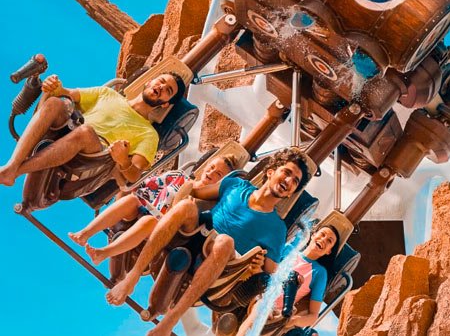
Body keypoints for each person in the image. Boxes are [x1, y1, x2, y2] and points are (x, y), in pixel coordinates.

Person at [106, 147, 315, 336]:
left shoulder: (277, 229)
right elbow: (196, 190)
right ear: (271, 171)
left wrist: (258, 267)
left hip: (222, 263)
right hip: (195, 233)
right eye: (287, 173)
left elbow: (271, 271)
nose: (288, 181)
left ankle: (169, 322)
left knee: (224, 241)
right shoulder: (235, 185)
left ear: (291, 192)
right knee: (185, 208)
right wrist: (186, 186)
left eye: (295, 181)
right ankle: (131, 277)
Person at [0, 71, 185, 187]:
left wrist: (123, 161)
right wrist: (53, 85)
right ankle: (11, 167)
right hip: (68, 130)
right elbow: (67, 93)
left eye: (168, 90)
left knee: (86, 132)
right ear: (149, 82)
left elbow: (134, 175)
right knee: (55, 103)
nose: (161, 87)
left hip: (92, 159)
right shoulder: (108, 94)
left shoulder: (149, 135)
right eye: (160, 81)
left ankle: (14, 171)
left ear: (165, 103)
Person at [68, 154, 238, 265]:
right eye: (212, 167)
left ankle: (103, 253)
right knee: (131, 200)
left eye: (219, 174)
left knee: (149, 221)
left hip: (164, 230)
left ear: (222, 183)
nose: (212, 172)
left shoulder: (211, 204)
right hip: (145, 208)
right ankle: (84, 234)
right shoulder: (178, 177)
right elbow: (145, 188)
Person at [236, 225, 340, 336]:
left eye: (329, 241)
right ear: (313, 234)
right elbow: (267, 273)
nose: (323, 239)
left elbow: (313, 315)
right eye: (322, 234)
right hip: (263, 298)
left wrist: (294, 321)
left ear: (329, 251)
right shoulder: (289, 249)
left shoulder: (319, 273)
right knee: (262, 310)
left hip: (282, 313)